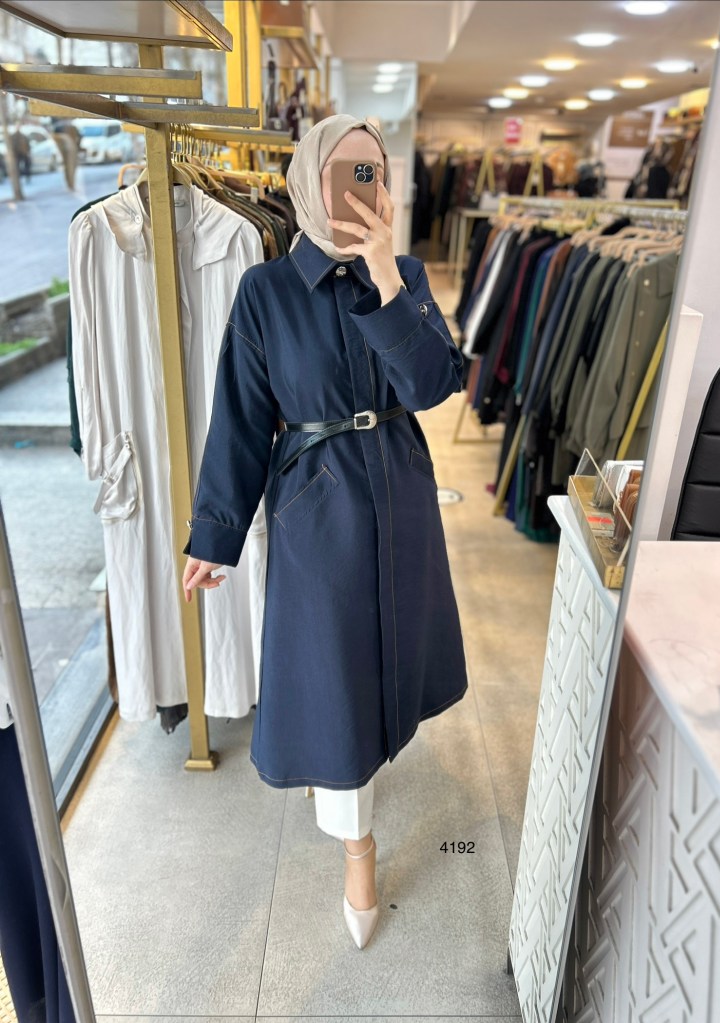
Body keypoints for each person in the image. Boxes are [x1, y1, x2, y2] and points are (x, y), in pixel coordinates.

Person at [181, 114, 468, 950]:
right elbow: (240, 419)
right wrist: (214, 532)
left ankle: (366, 784)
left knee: (392, 656)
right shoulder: (266, 291)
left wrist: (385, 277)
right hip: (318, 504)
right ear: (309, 179)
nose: (361, 188)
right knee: (335, 678)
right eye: (346, 172)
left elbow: (432, 385)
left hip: (402, 492)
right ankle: (358, 847)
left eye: (373, 172)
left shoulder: (403, 274)